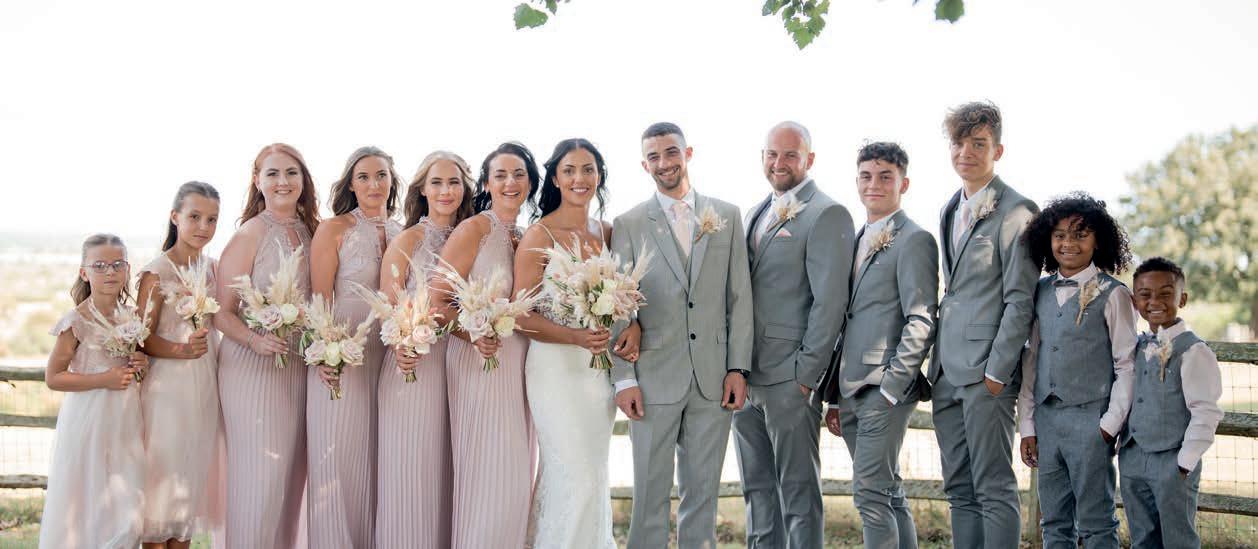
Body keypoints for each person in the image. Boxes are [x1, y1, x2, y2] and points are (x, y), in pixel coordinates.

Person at [610, 122, 753, 549]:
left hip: (713, 378)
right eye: (653, 157)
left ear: (688, 154)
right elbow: (618, 305)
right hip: (653, 377)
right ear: (644, 165)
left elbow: (739, 298)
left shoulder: (727, 215)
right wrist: (624, 378)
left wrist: (738, 368)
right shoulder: (629, 223)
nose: (664, 163)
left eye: (671, 152)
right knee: (649, 495)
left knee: (702, 496)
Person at [735, 121, 852, 548]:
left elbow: (830, 303)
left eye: (790, 155)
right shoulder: (754, 212)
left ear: (809, 159)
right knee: (757, 492)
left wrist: (806, 375)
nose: (778, 163)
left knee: (798, 495)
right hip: (745, 378)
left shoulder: (827, 213)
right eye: (772, 154)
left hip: (790, 377)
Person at [929, 101, 1039, 548]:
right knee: (959, 487)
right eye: (959, 143)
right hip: (945, 370)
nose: (966, 153)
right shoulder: (948, 208)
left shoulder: (1017, 211)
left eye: (978, 143)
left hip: (986, 374)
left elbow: (1020, 300)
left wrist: (997, 372)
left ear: (998, 150)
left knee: (993, 486)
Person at [820, 141, 937, 549]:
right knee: (887, 490)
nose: (874, 184)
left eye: (886, 176)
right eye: (866, 176)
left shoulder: (915, 239)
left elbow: (921, 318)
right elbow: (847, 319)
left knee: (870, 495)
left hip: (884, 388)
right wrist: (835, 397)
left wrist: (891, 387)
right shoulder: (855, 239)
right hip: (849, 388)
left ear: (904, 183)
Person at [434, 142, 540, 549]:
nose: (510, 182)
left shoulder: (529, 235)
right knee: (487, 475)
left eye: (519, 174)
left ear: (530, 182)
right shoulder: (474, 229)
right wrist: (473, 334)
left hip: (519, 365)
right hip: (477, 362)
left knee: (515, 479)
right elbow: (436, 301)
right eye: (501, 175)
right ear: (486, 183)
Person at [1016, 192, 1137, 548]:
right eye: (1060, 235)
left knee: (1096, 522)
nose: (1068, 243)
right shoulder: (1040, 290)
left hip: (1091, 421)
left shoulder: (1113, 294)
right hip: (1047, 422)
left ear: (1098, 241)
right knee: (1053, 521)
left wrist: (1108, 425)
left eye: (1080, 234)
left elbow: (1127, 365)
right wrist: (1028, 425)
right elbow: (1032, 359)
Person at [514, 138, 619, 548]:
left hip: (597, 374)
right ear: (556, 178)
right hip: (555, 371)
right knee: (573, 473)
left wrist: (629, 327)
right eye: (570, 170)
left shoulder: (607, 232)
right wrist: (575, 336)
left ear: (599, 176)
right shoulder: (539, 235)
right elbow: (521, 315)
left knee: (594, 474)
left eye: (588, 169)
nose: (580, 178)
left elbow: (626, 300)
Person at [215, 143, 318, 548]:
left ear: (303, 180)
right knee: (258, 481)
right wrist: (255, 340)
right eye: (272, 173)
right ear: (257, 181)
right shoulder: (250, 234)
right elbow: (221, 312)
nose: (282, 182)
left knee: (289, 482)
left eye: (291, 173)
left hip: (297, 366)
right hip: (252, 369)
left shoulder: (311, 230)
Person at [374, 151, 474, 549]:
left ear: (465, 188)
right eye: (437, 182)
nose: (446, 191)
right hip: (414, 364)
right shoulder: (408, 240)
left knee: (450, 476)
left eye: (453, 182)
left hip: (463, 366)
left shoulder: (473, 236)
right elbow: (387, 305)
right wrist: (401, 344)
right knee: (411, 473)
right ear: (422, 190)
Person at [306, 145, 404, 548]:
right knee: (338, 459)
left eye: (381, 175)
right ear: (350, 184)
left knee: (380, 462)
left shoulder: (402, 231)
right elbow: (318, 299)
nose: (373, 184)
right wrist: (324, 353)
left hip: (390, 355)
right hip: (342, 353)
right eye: (363, 177)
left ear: (392, 182)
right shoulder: (334, 229)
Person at [39, 233, 148, 549]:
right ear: (84, 273)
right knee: (87, 500)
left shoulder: (132, 317)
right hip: (88, 419)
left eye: (117, 264)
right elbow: (54, 377)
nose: (110, 272)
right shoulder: (76, 321)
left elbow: (135, 368)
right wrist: (104, 379)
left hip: (126, 417)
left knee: (127, 506)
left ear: (127, 269)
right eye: (99, 265)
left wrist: (141, 363)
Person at [136, 182, 224, 549]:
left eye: (212, 219)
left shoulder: (213, 269)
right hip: (167, 390)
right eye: (195, 217)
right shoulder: (157, 272)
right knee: (163, 485)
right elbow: (140, 337)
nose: (203, 226)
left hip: (204, 387)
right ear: (175, 217)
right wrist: (179, 349)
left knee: (188, 481)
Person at [1119, 257, 1224, 549]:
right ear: (1134, 301)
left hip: (1173, 461)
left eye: (1165, 294)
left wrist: (1185, 462)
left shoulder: (1193, 350)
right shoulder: (1136, 346)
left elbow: (1205, 411)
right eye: (1145, 294)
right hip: (1133, 458)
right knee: (1142, 539)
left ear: (1183, 298)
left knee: (1178, 541)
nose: (1155, 301)